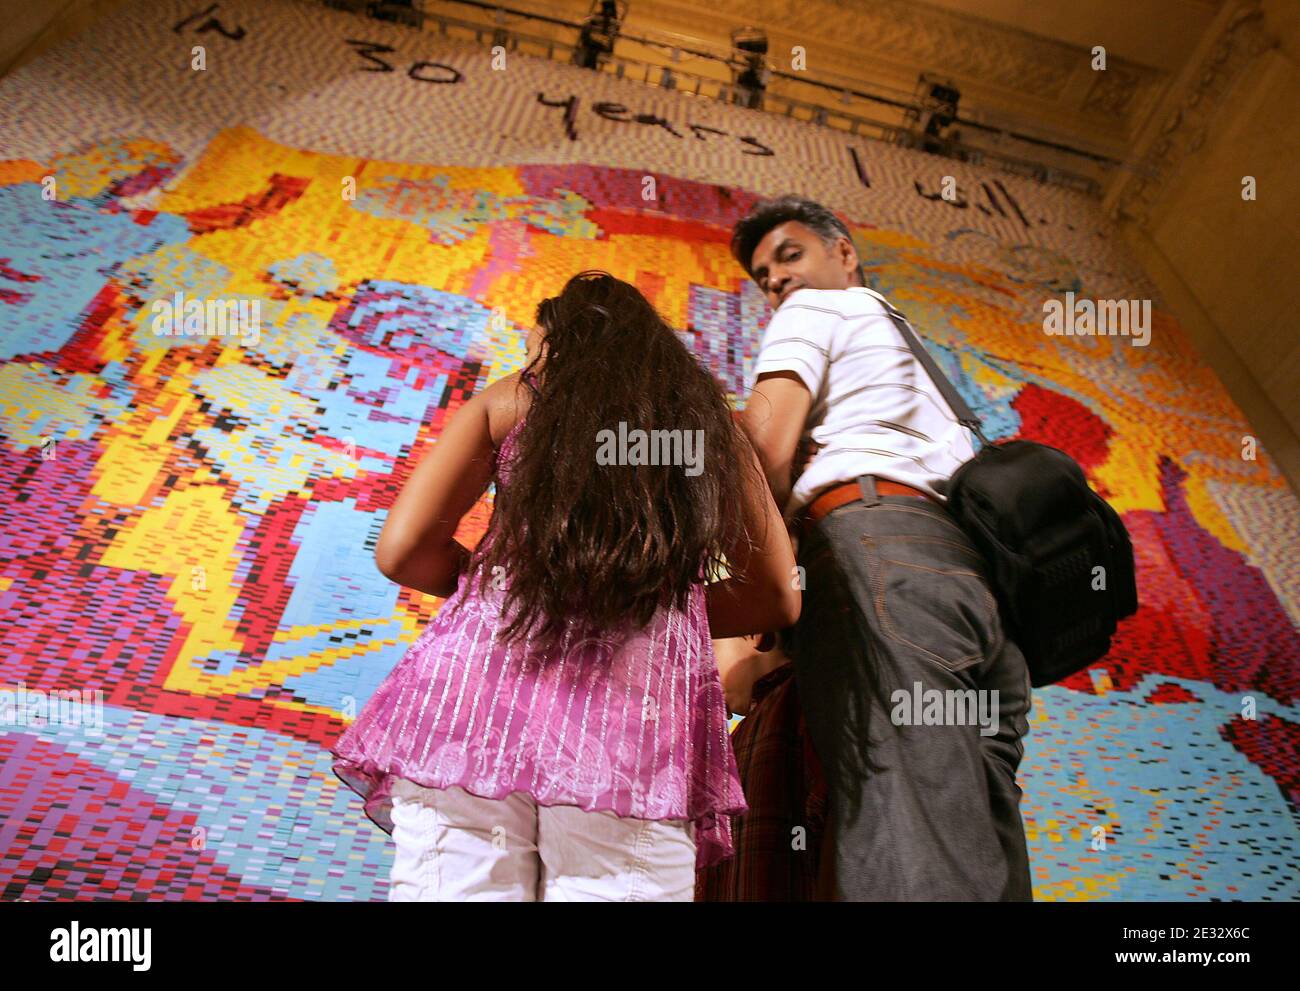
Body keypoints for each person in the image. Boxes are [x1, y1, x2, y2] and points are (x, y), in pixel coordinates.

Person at [331, 270, 799, 901]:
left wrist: (485, 586)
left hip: (470, 714)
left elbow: (402, 551)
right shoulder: (706, 425)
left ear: (556, 342)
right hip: (636, 736)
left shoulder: (513, 399)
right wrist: (664, 613)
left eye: (533, 349)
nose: (531, 362)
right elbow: (774, 593)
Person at [707, 195, 1033, 901]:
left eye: (789, 256)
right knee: (980, 824)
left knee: (899, 821)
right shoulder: (911, 348)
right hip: (977, 598)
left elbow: (761, 449)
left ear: (844, 252)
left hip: (879, 556)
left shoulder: (814, 311)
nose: (777, 283)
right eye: (765, 276)